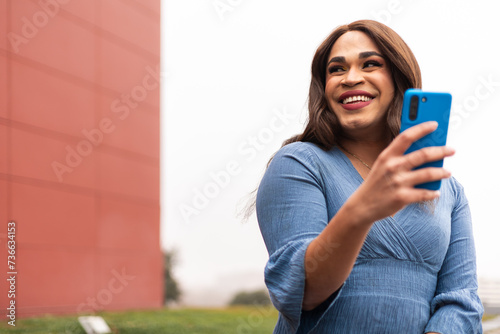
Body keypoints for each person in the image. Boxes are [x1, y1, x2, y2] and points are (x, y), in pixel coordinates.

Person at [256, 20, 483, 333]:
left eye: (371, 64)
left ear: (399, 78)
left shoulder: (448, 189)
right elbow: (303, 290)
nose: (350, 78)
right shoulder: (298, 163)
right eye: (336, 69)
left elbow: (462, 299)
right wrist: (362, 209)